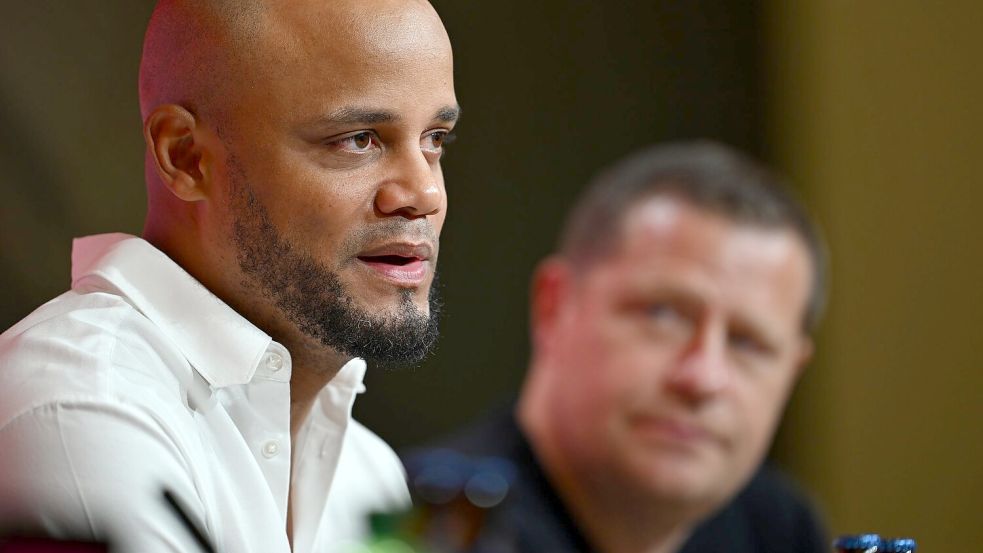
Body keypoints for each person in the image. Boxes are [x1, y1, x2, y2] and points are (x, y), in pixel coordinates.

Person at [0, 0, 458, 552]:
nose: (425, 194)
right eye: (357, 139)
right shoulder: (78, 412)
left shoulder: (369, 477)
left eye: (435, 139)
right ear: (187, 156)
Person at [432, 142, 828, 552]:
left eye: (748, 343)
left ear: (793, 372)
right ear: (554, 307)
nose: (703, 377)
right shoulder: (435, 526)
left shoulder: (778, 530)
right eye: (663, 315)